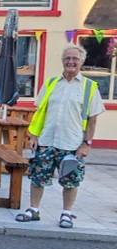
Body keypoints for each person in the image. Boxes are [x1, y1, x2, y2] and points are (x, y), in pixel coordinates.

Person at [16, 44, 105, 228]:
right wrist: (33, 136)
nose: (71, 62)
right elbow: (40, 111)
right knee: (37, 176)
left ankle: (67, 213)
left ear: (81, 62)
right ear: (63, 61)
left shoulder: (90, 87)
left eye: (75, 59)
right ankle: (34, 210)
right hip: (46, 140)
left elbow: (92, 119)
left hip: (72, 142)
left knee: (71, 181)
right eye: (67, 59)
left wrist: (86, 143)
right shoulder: (51, 83)